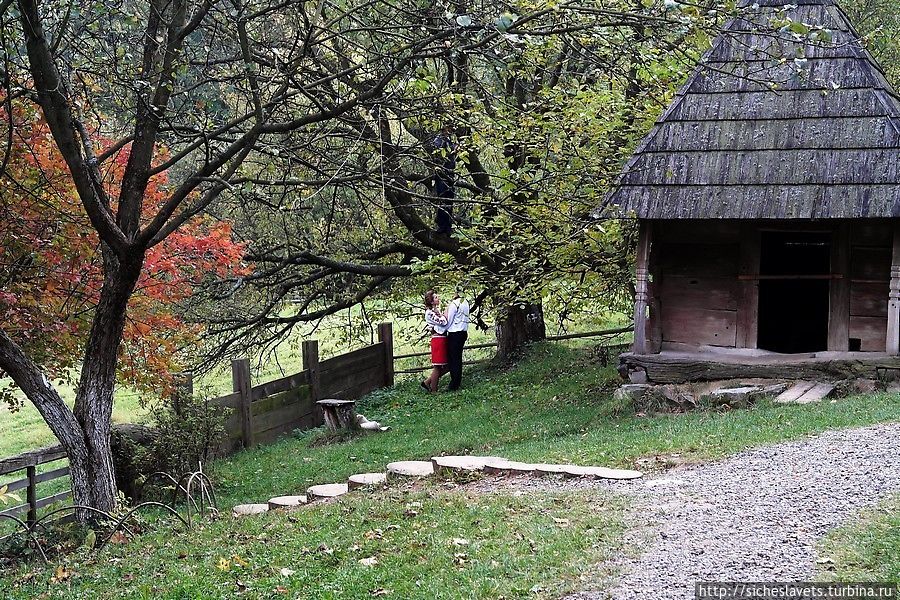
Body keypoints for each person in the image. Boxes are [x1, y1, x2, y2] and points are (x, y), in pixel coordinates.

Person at [422, 290, 449, 392]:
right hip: (437, 339)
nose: (438, 299)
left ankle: (427, 382)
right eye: (436, 297)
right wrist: (442, 315)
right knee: (438, 366)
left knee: (447, 365)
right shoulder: (430, 313)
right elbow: (443, 322)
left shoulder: (435, 311)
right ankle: (434, 390)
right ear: (432, 301)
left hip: (442, 338)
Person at [444, 288, 470, 391]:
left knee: (453, 359)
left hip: (454, 333)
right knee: (458, 358)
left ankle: (454, 384)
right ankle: (457, 381)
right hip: (463, 332)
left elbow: (448, 321)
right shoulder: (466, 303)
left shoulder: (454, 304)